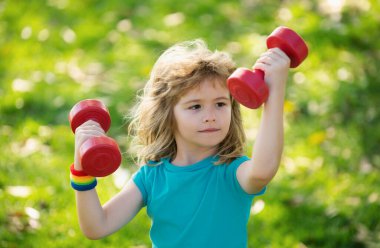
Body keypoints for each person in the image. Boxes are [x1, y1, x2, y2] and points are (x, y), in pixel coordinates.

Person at [70, 39, 290, 247]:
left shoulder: (231, 171)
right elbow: (97, 226)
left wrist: (274, 93)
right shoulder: (152, 177)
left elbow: (262, 171)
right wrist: (81, 170)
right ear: (168, 114)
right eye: (196, 106)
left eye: (220, 104)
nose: (211, 115)